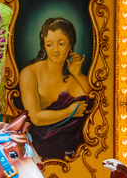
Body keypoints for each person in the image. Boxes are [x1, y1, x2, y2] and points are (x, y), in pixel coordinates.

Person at [18, 17, 95, 160]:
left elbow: (95, 106)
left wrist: (78, 74)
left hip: (76, 155)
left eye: (61, 44)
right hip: (38, 148)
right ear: (44, 46)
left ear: (70, 45)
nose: (55, 50)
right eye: (49, 44)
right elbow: (35, 117)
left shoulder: (74, 78)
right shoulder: (29, 73)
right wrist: (69, 111)